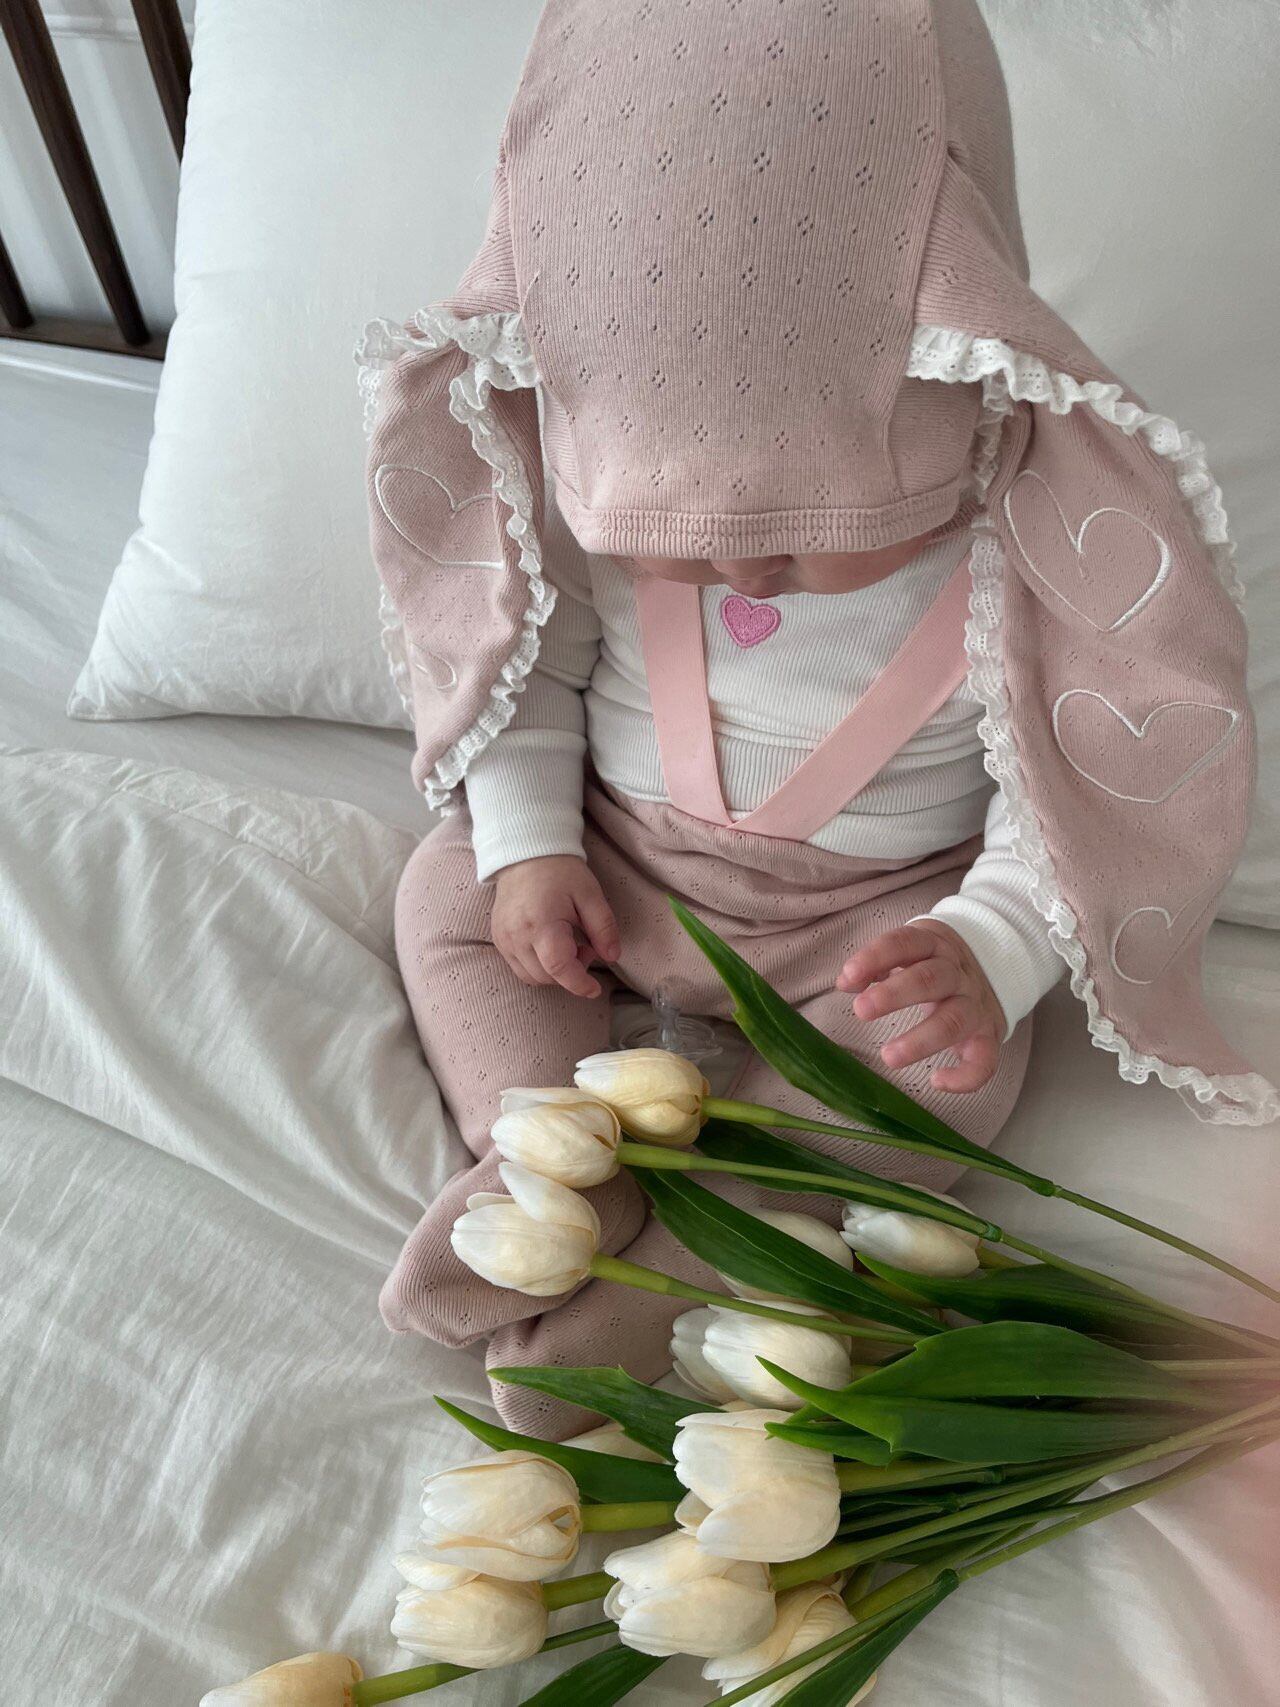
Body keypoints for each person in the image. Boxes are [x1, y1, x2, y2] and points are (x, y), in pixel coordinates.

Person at [358, 0, 1269, 1433]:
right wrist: (532, 847)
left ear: (944, 366)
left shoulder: (1027, 532)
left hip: (870, 925)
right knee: (448, 889)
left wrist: (987, 950)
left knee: (954, 1076)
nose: (739, 573)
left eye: (797, 531)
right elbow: (528, 665)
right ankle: (545, 1156)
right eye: (677, 527)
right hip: (619, 868)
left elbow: (1071, 787)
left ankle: (711, 1232)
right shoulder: (591, 489)